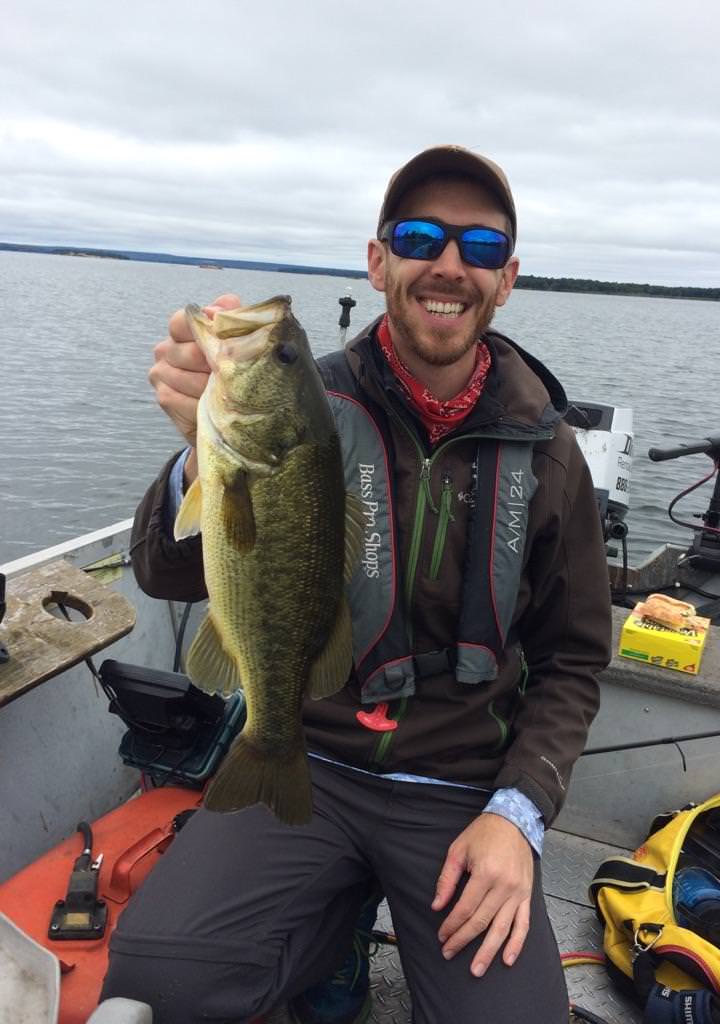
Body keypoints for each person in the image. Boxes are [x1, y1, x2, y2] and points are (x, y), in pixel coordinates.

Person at [102, 145, 612, 1024]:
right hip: (313, 752)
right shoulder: (301, 399)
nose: (449, 265)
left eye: (480, 248)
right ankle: (331, 913)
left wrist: (520, 813)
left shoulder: (552, 452)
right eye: (419, 236)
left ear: (508, 279)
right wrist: (199, 459)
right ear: (378, 263)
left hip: (461, 789)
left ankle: (343, 920)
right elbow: (162, 569)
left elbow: (572, 663)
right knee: (157, 983)